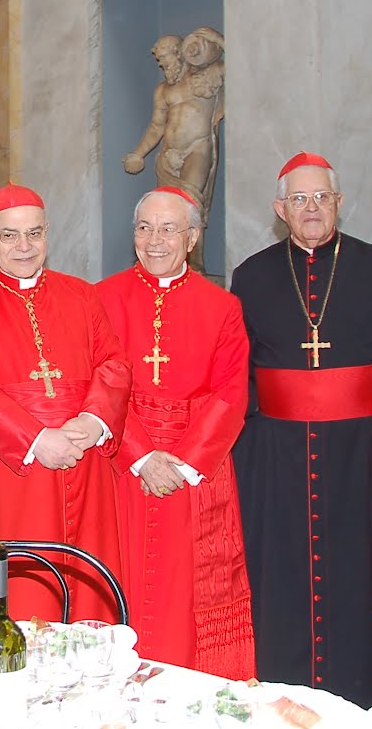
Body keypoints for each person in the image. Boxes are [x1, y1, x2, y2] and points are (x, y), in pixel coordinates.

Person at [231, 152, 372, 705]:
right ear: (280, 210)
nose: (312, 208)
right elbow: (239, 368)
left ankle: (356, 687)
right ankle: (282, 681)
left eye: (322, 197)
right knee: (281, 569)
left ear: (339, 203)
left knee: (357, 568)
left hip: (362, 450)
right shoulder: (251, 276)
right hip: (275, 452)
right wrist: (244, 443)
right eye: (299, 199)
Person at [0, 184, 131, 632]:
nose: (24, 246)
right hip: (9, 470)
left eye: (34, 233)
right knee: (17, 595)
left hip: (83, 462)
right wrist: (38, 439)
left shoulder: (82, 295)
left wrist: (93, 419)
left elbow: (114, 363)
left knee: (87, 594)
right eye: (9, 235)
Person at [95, 186, 254, 678]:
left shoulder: (222, 306)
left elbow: (231, 392)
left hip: (195, 473)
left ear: (193, 237)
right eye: (144, 228)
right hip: (123, 466)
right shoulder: (101, 298)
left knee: (188, 591)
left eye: (168, 229)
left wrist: (182, 462)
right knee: (118, 576)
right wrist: (143, 456)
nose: (155, 240)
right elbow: (97, 384)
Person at [123, 29, 225, 269]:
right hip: (168, 154)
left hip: (197, 148)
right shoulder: (163, 90)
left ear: (179, 54)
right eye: (160, 61)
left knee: (191, 204)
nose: (163, 65)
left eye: (165, 58)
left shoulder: (206, 78)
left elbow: (237, 66)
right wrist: (139, 153)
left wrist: (216, 39)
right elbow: (157, 126)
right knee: (166, 210)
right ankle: (171, 264)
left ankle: (195, 265)